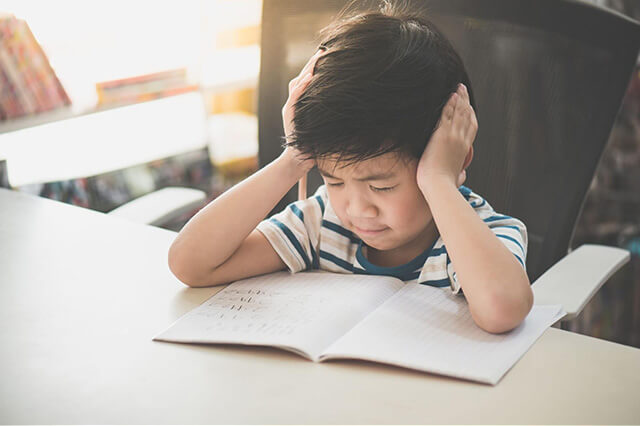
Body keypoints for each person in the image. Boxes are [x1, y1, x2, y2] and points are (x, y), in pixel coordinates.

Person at [168, 1, 533, 334]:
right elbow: (191, 264)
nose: (356, 209)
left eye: (382, 187)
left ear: (456, 160)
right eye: (334, 181)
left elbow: (503, 311)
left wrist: (439, 181)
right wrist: (293, 158)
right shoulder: (320, 225)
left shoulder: (486, 234)